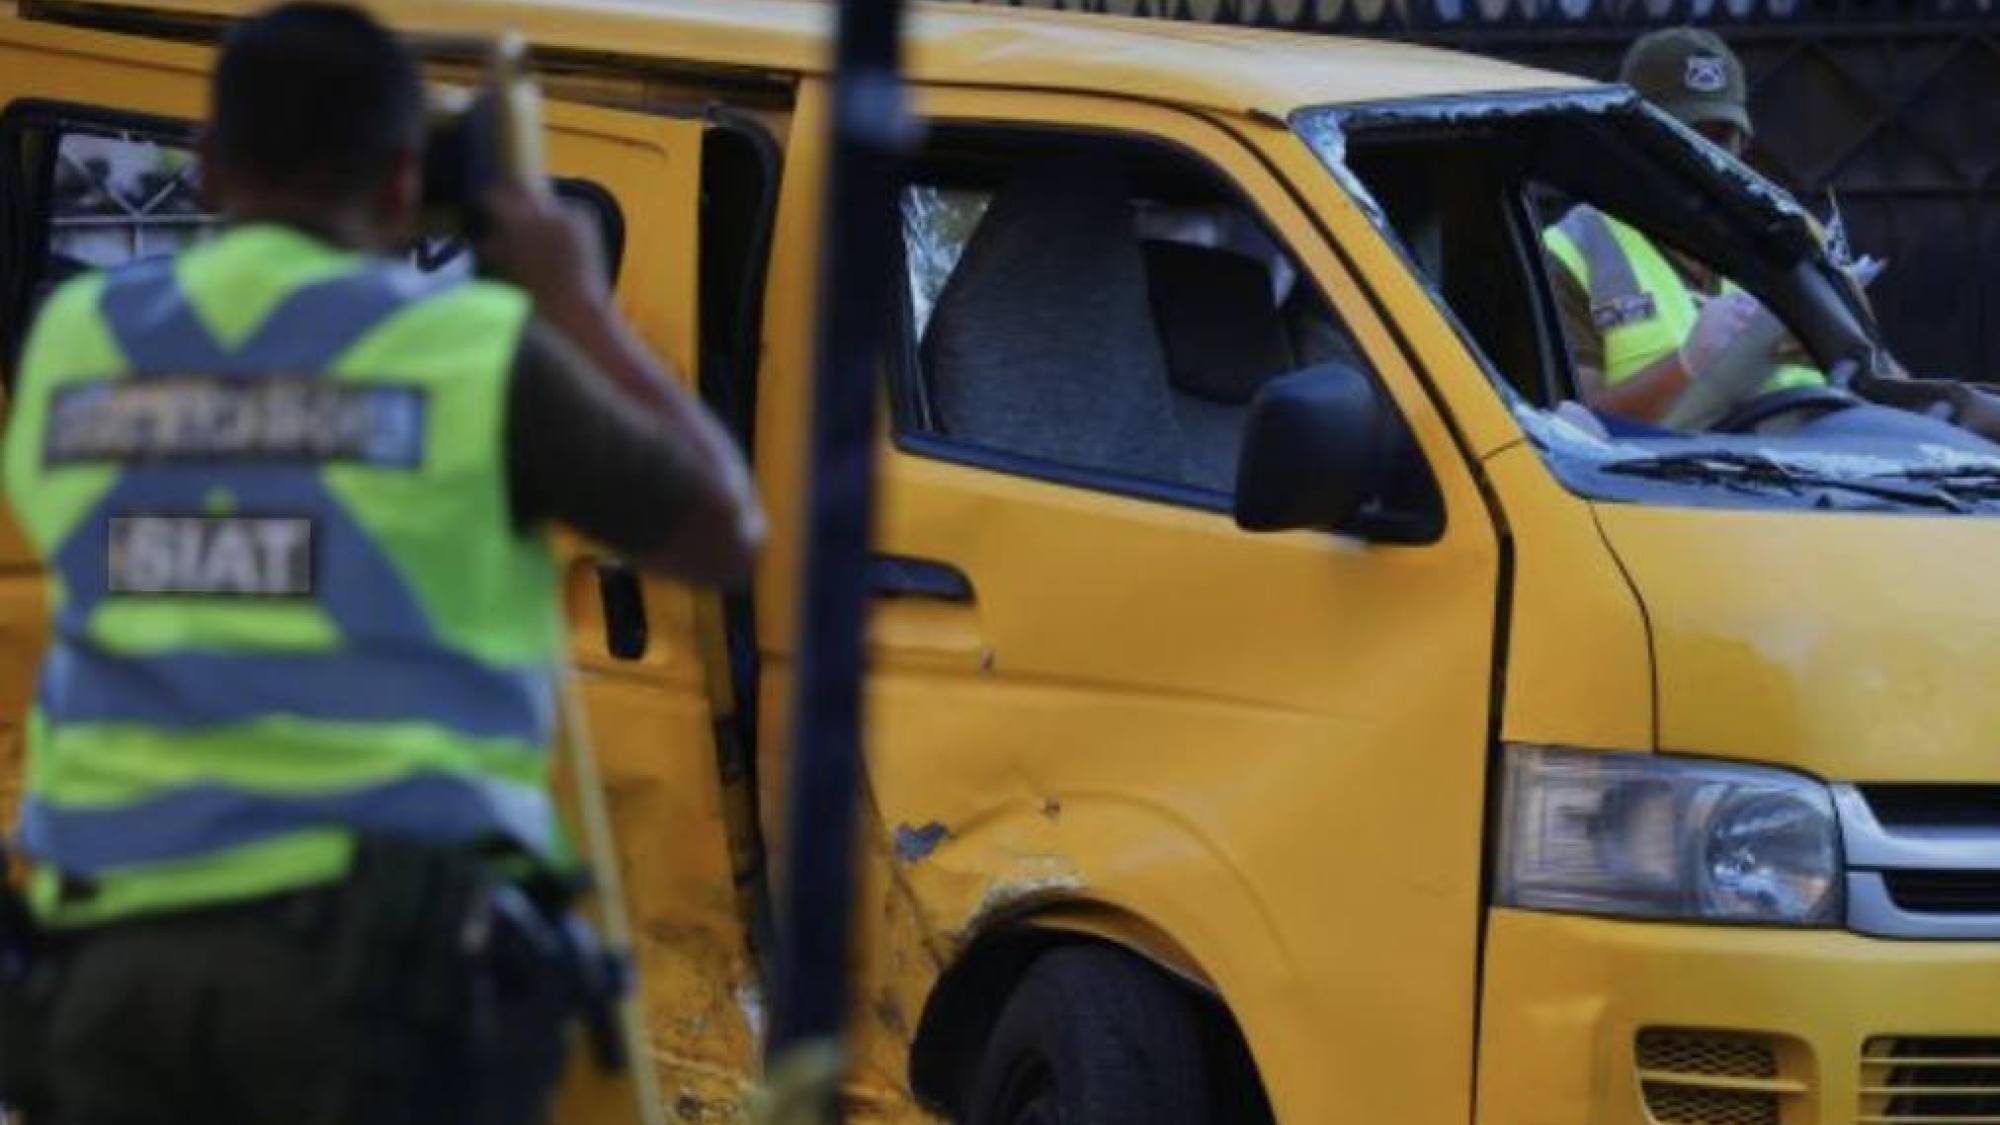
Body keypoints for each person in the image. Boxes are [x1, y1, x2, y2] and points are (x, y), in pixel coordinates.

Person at [0, 4, 763, 1123]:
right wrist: (576, 304)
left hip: (111, 971)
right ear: (407, 184)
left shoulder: (78, 343)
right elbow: (719, 531)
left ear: (206, 165)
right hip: (377, 979)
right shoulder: (469, 354)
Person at [1543, 26, 1825, 427]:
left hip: (1809, 480)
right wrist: (1687, 365)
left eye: (1720, 137)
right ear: (1632, 140)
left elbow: (1878, 381)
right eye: (1684, 137)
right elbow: (1573, 433)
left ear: (1743, 144)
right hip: (1654, 488)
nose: (1704, 158)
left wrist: (1836, 324)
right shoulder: (1576, 250)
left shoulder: (1789, 240)